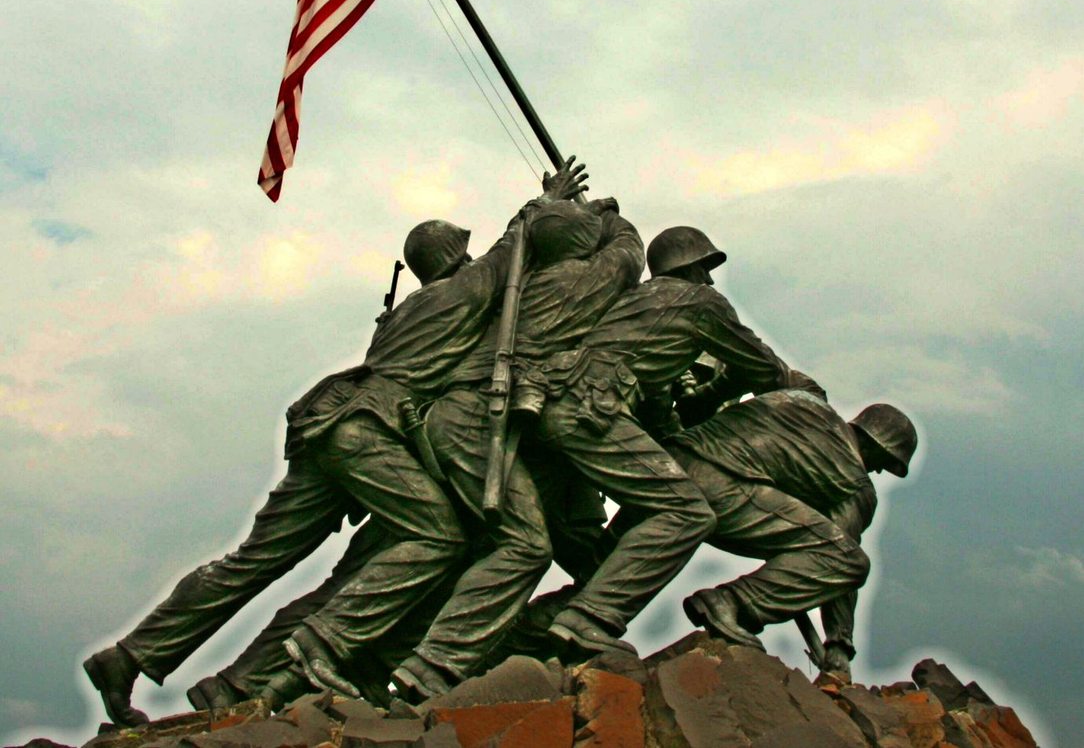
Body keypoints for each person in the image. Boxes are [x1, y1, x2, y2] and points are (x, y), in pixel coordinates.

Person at [83, 161, 587, 726]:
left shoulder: (404, 314)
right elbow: (509, 253)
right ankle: (321, 647)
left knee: (252, 562)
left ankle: (132, 656)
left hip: (328, 425)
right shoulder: (460, 292)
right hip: (365, 432)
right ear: (455, 257)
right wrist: (549, 200)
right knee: (436, 536)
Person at [385, 198, 646, 698]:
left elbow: (509, 253)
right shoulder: (578, 281)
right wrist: (608, 214)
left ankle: (513, 641)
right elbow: (629, 252)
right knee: (526, 545)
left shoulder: (511, 292)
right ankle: (433, 664)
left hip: (465, 419)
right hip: (476, 417)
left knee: (543, 541)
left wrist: (552, 209)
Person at [534, 225, 814, 658]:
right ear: (690, 267)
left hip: (554, 407)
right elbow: (762, 369)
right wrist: (795, 390)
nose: (710, 280)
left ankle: (533, 628)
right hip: (589, 411)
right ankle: (586, 620)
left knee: (581, 552)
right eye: (705, 267)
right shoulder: (701, 303)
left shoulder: (634, 304)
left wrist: (677, 438)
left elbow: (656, 405)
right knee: (687, 512)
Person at [672, 394, 917, 680]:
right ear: (876, 444)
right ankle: (729, 602)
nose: (876, 470)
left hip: (672, 461)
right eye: (883, 462)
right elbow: (842, 552)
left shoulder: (807, 405)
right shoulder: (853, 479)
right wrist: (839, 645)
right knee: (849, 561)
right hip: (720, 491)